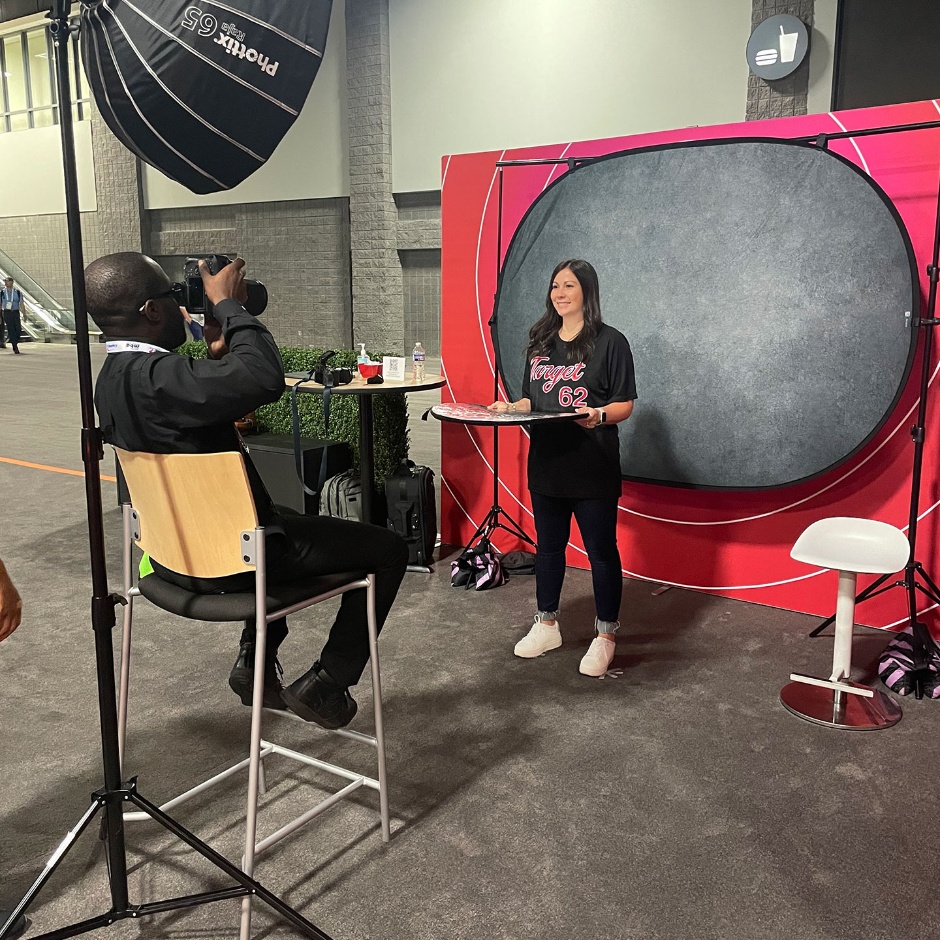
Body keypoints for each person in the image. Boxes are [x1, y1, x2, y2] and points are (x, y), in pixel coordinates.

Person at [85, 252, 408, 729]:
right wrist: (230, 307)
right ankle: (328, 683)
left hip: (171, 559)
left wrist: (217, 358)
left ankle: (254, 660)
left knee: (273, 516)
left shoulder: (112, 382)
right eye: (172, 300)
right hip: (231, 567)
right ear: (151, 313)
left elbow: (188, 404)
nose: (183, 309)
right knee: (387, 549)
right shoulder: (163, 380)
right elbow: (263, 377)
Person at [489, 259, 636, 677]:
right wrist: (508, 407)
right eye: (555, 286)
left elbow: (624, 403)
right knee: (549, 548)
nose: (560, 293)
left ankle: (606, 635)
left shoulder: (611, 342)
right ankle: (546, 624)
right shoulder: (541, 341)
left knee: (601, 552)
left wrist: (600, 416)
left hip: (592, 464)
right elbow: (529, 400)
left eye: (569, 285)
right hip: (548, 462)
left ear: (587, 292)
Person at [0, 277, 24, 354]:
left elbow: (21, 303)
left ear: (12, 282)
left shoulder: (17, 292)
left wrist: (24, 314)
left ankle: (14, 340)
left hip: (15, 312)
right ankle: (15, 346)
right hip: (7, 312)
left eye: (7, 281)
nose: (6, 283)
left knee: (18, 328)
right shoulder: (2, 292)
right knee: (11, 328)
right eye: (5, 282)